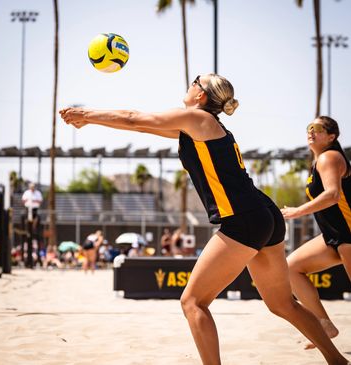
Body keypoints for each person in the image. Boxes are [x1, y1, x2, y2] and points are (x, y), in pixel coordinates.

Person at [60, 74, 349, 364]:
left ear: (201, 96)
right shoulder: (200, 126)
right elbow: (142, 126)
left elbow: (135, 117)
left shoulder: (197, 120)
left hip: (244, 218)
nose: (191, 82)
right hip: (264, 214)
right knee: (283, 304)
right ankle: (337, 361)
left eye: (197, 81)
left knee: (192, 302)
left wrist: (86, 114)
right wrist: (92, 121)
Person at [281, 116, 351, 349]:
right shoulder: (318, 161)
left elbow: (332, 194)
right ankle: (324, 324)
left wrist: (298, 211)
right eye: (309, 127)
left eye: (318, 129)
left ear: (331, 137)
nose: (311, 131)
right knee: (291, 268)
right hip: (335, 238)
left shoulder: (329, 157)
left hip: (348, 236)